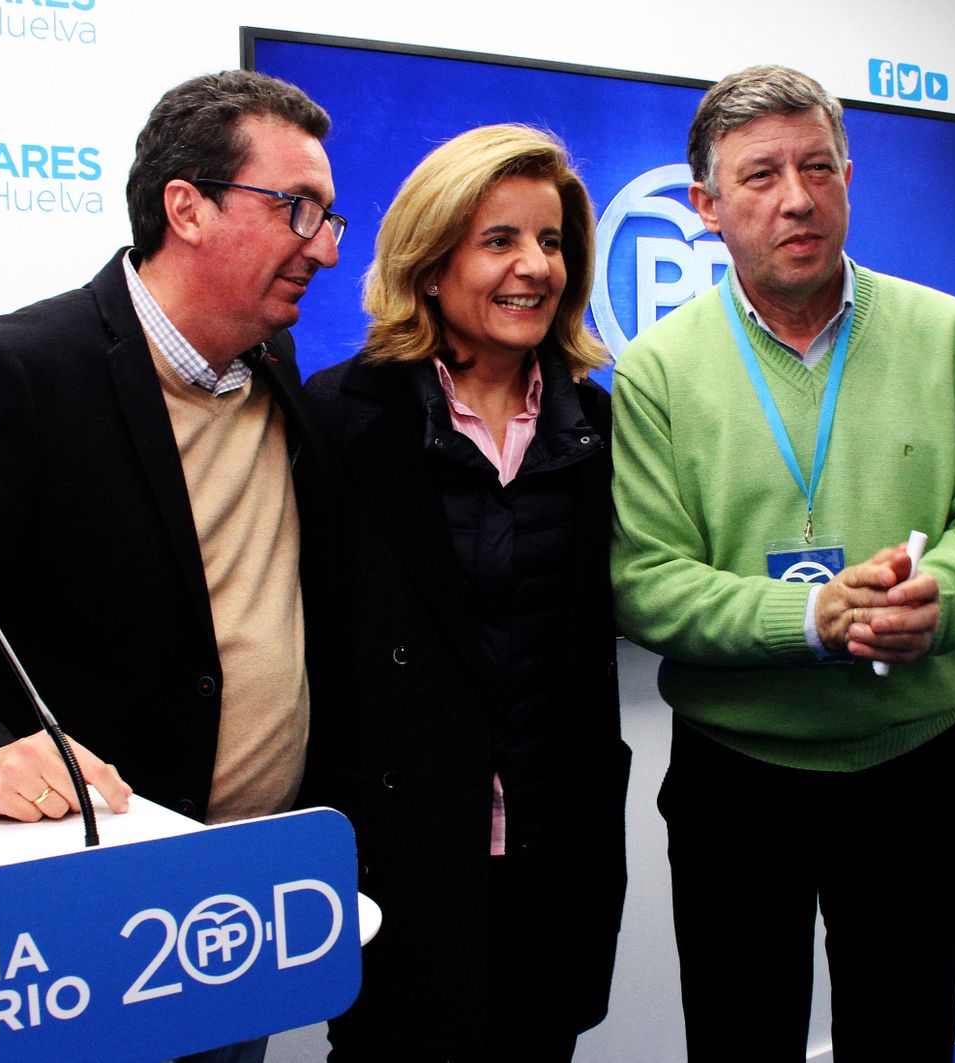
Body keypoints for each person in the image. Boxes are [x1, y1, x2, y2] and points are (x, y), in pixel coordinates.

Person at [0, 69, 343, 1063]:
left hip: (244, 906)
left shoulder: (279, 378)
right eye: (297, 209)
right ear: (185, 207)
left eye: (329, 217)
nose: (321, 245)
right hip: (84, 922)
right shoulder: (28, 368)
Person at [610, 65, 955, 1061]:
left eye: (816, 168)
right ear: (706, 208)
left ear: (848, 176)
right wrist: (807, 618)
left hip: (916, 765)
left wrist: (947, 596)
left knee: (904, 1033)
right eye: (759, 176)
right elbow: (644, 581)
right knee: (739, 1037)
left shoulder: (950, 338)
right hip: (736, 781)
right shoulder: (656, 370)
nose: (796, 197)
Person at [302, 125, 629, 1062]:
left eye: (553, 241)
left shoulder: (598, 424)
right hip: (398, 859)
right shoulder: (338, 416)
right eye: (500, 241)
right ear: (430, 261)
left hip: (551, 849)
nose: (535, 266)